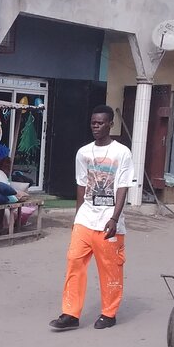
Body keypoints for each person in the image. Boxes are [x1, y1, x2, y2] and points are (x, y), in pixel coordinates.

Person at [50, 105, 134, 331]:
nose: (95, 126)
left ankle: (109, 313)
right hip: (85, 219)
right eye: (93, 123)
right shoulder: (83, 153)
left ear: (110, 124)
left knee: (110, 268)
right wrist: (77, 218)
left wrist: (114, 218)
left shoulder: (122, 153)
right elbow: (81, 185)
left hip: (109, 221)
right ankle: (70, 314)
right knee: (74, 262)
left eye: (100, 123)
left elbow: (123, 187)